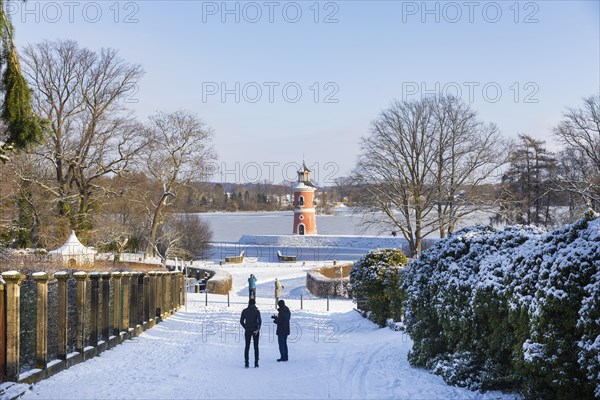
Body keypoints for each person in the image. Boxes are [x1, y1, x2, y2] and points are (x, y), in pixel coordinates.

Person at [240, 298, 262, 368]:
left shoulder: (244, 311)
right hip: (255, 330)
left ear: (248, 303)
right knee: (256, 347)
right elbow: (260, 321)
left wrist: (245, 327)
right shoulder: (257, 311)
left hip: (248, 330)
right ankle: (256, 363)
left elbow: (241, 321)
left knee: (247, 346)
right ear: (254, 303)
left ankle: (246, 363)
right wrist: (257, 329)